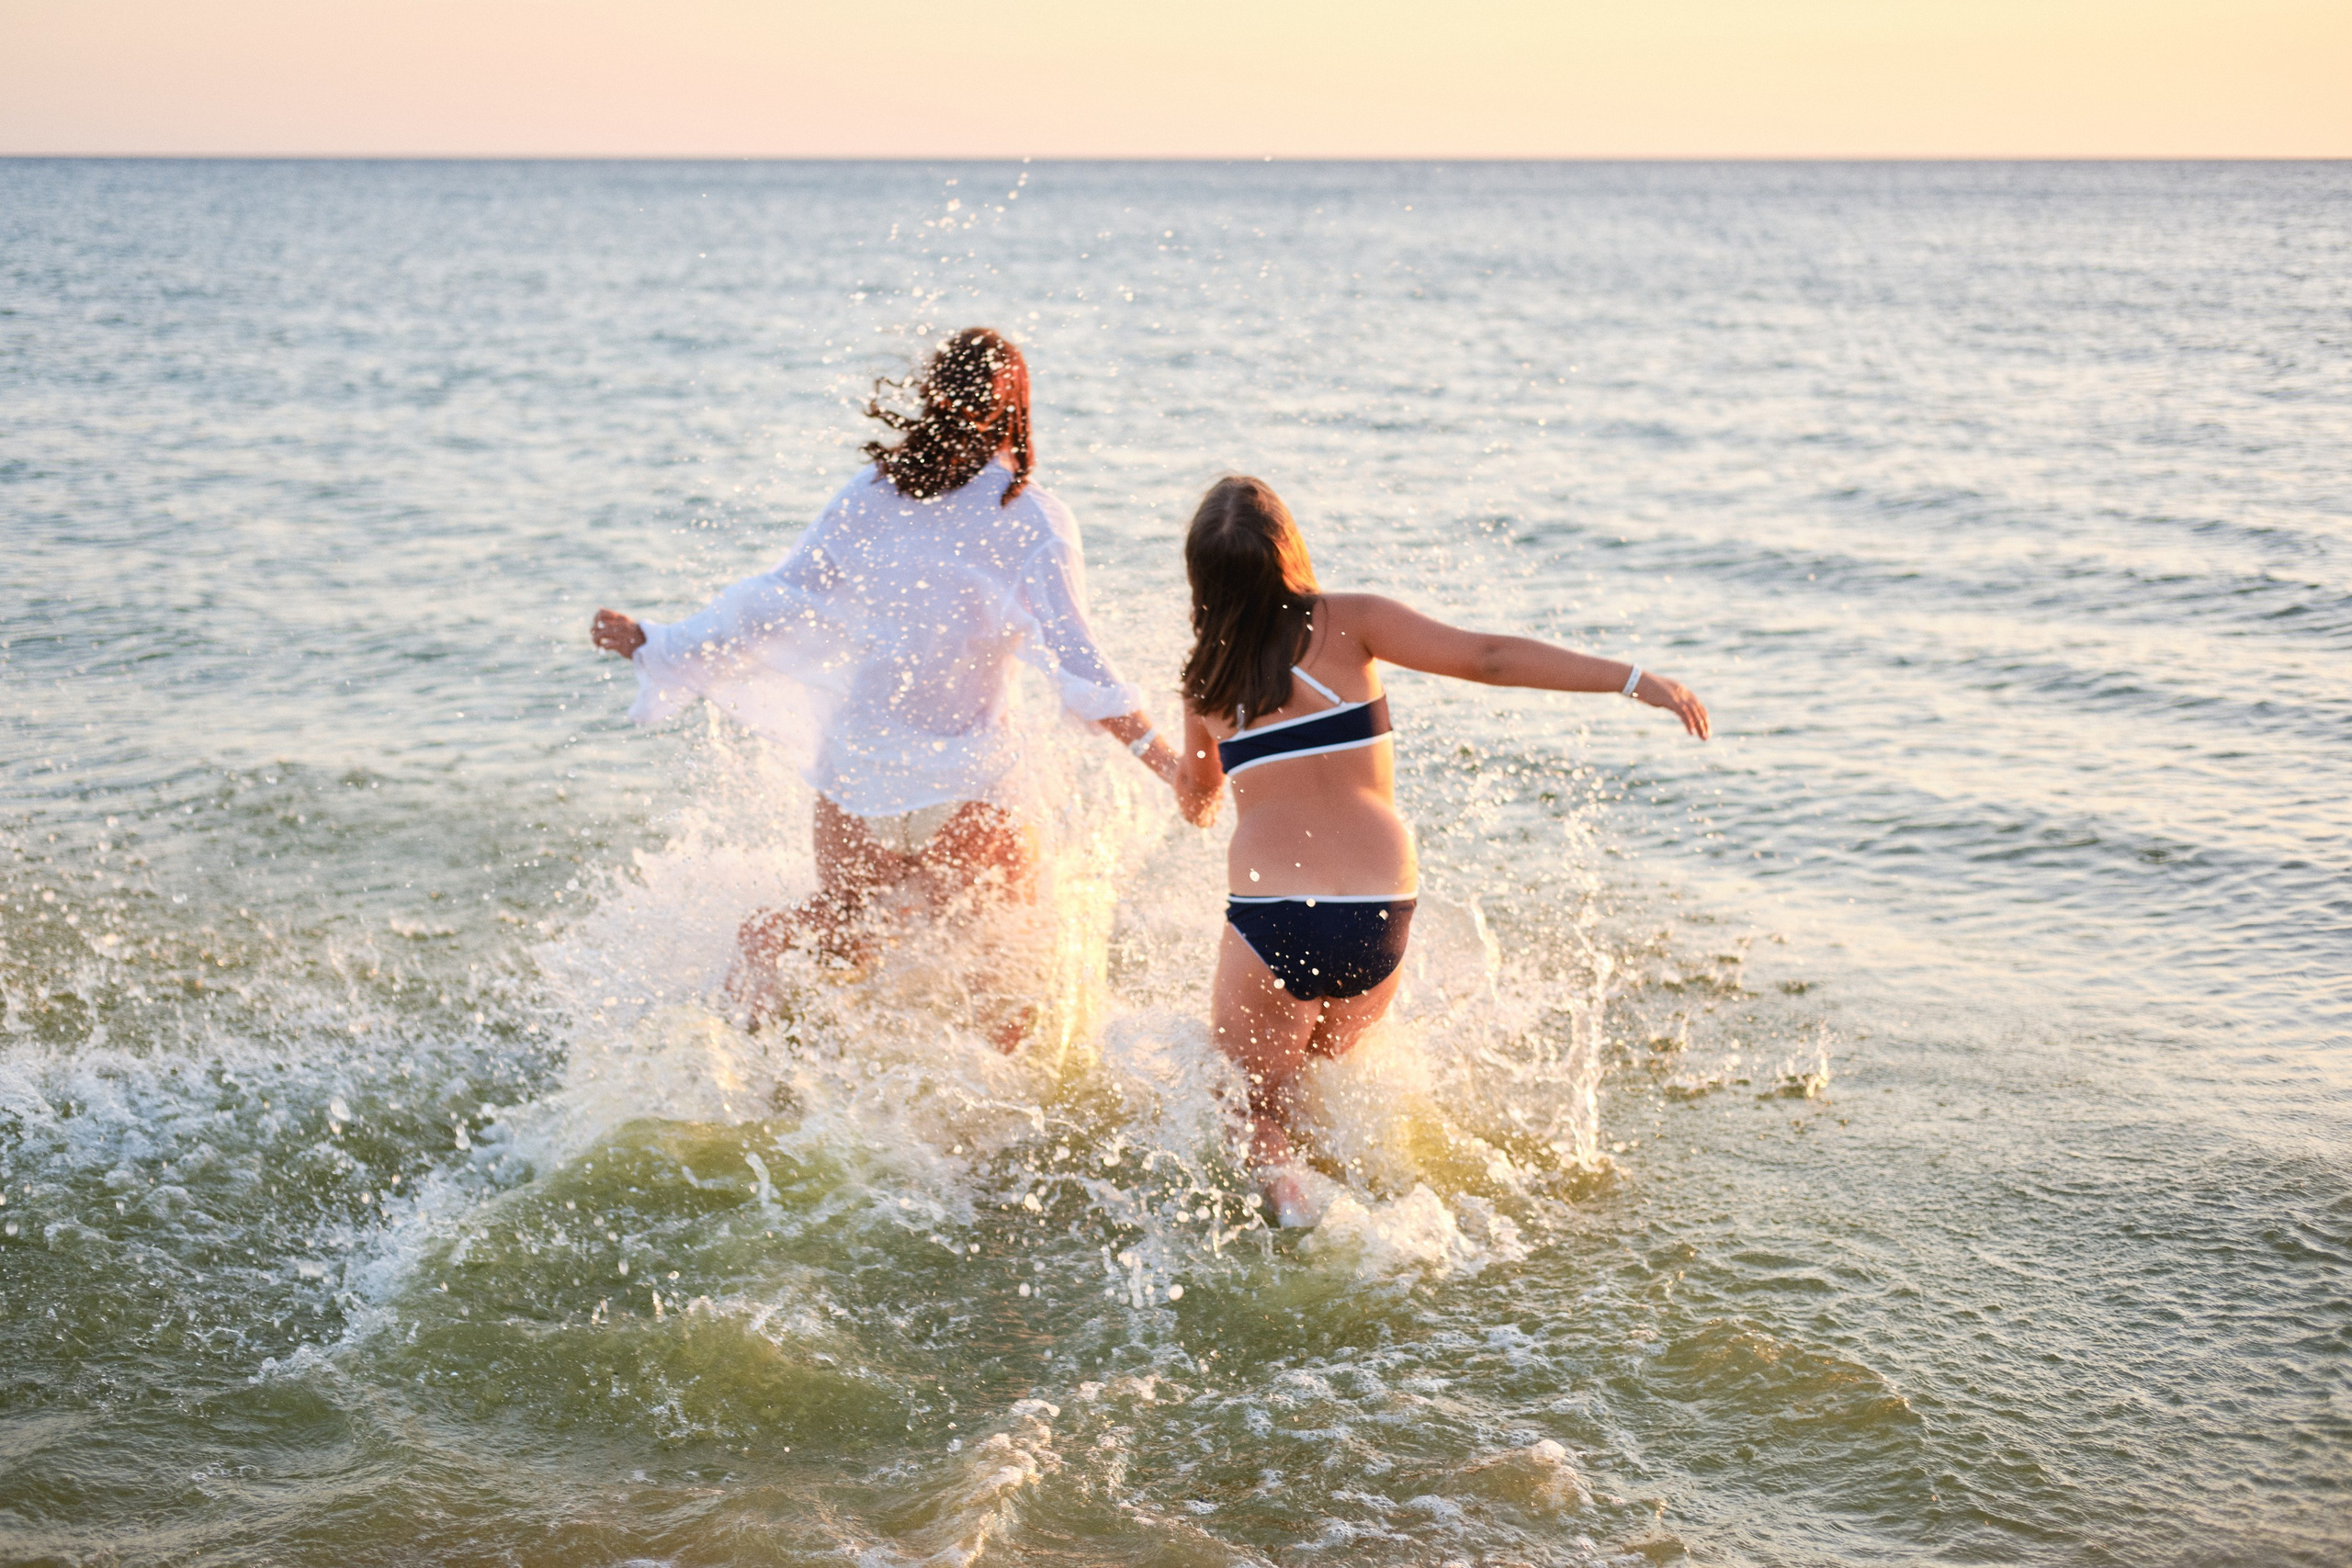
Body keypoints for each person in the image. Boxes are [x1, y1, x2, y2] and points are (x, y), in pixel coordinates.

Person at [592, 329, 1180, 1021]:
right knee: (1008, 993)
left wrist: (655, 644)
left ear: (932, 399)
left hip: (856, 786)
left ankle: (753, 995)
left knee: (847, 939)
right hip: (970, 790)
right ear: (1015, 408)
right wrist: (1175, 769)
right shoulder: (1033, 518)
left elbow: (774, 602)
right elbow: (1084, 671)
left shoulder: (873, 493)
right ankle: (981, 1131)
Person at [1169, 476, 1710, 1224]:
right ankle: (1362, 1210)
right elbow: (1488, 657)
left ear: (1205, 580)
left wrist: (1167, 756)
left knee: (1253, 1104)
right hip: (1376, 916)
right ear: (1289, 552)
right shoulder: (1353, 622)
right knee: (1326, 1084)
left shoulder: (1204, 681)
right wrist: (1631, 680)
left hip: (1273, 916)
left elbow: (1196, 803)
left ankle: (1297, 1208)